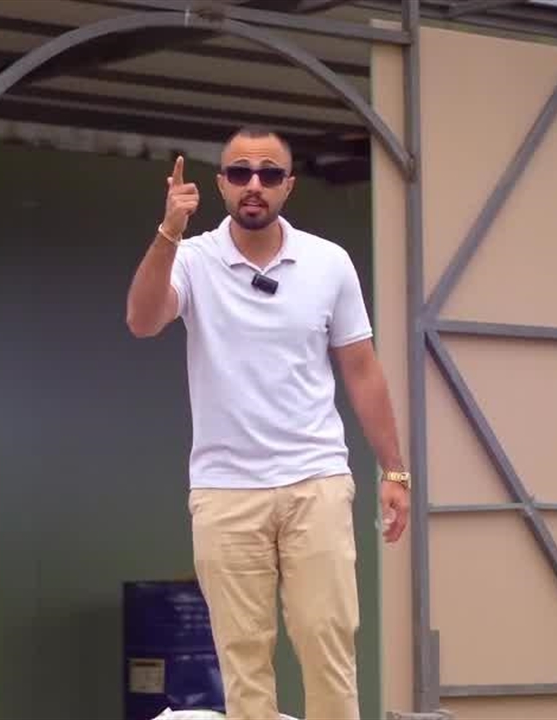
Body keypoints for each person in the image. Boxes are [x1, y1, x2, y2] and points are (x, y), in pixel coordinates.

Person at [125, 126, 411, 720]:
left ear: (289, 185)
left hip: (316, 480)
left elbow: (362, 369)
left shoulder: (328, 262)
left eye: (269, 174)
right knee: (243, 658)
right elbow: (143, 320)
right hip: (225, 489)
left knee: (327, 640)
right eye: (240, 173)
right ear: (221, 184)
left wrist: (395, 471)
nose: (254, 184)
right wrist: (168, 232)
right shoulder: (193, 258)